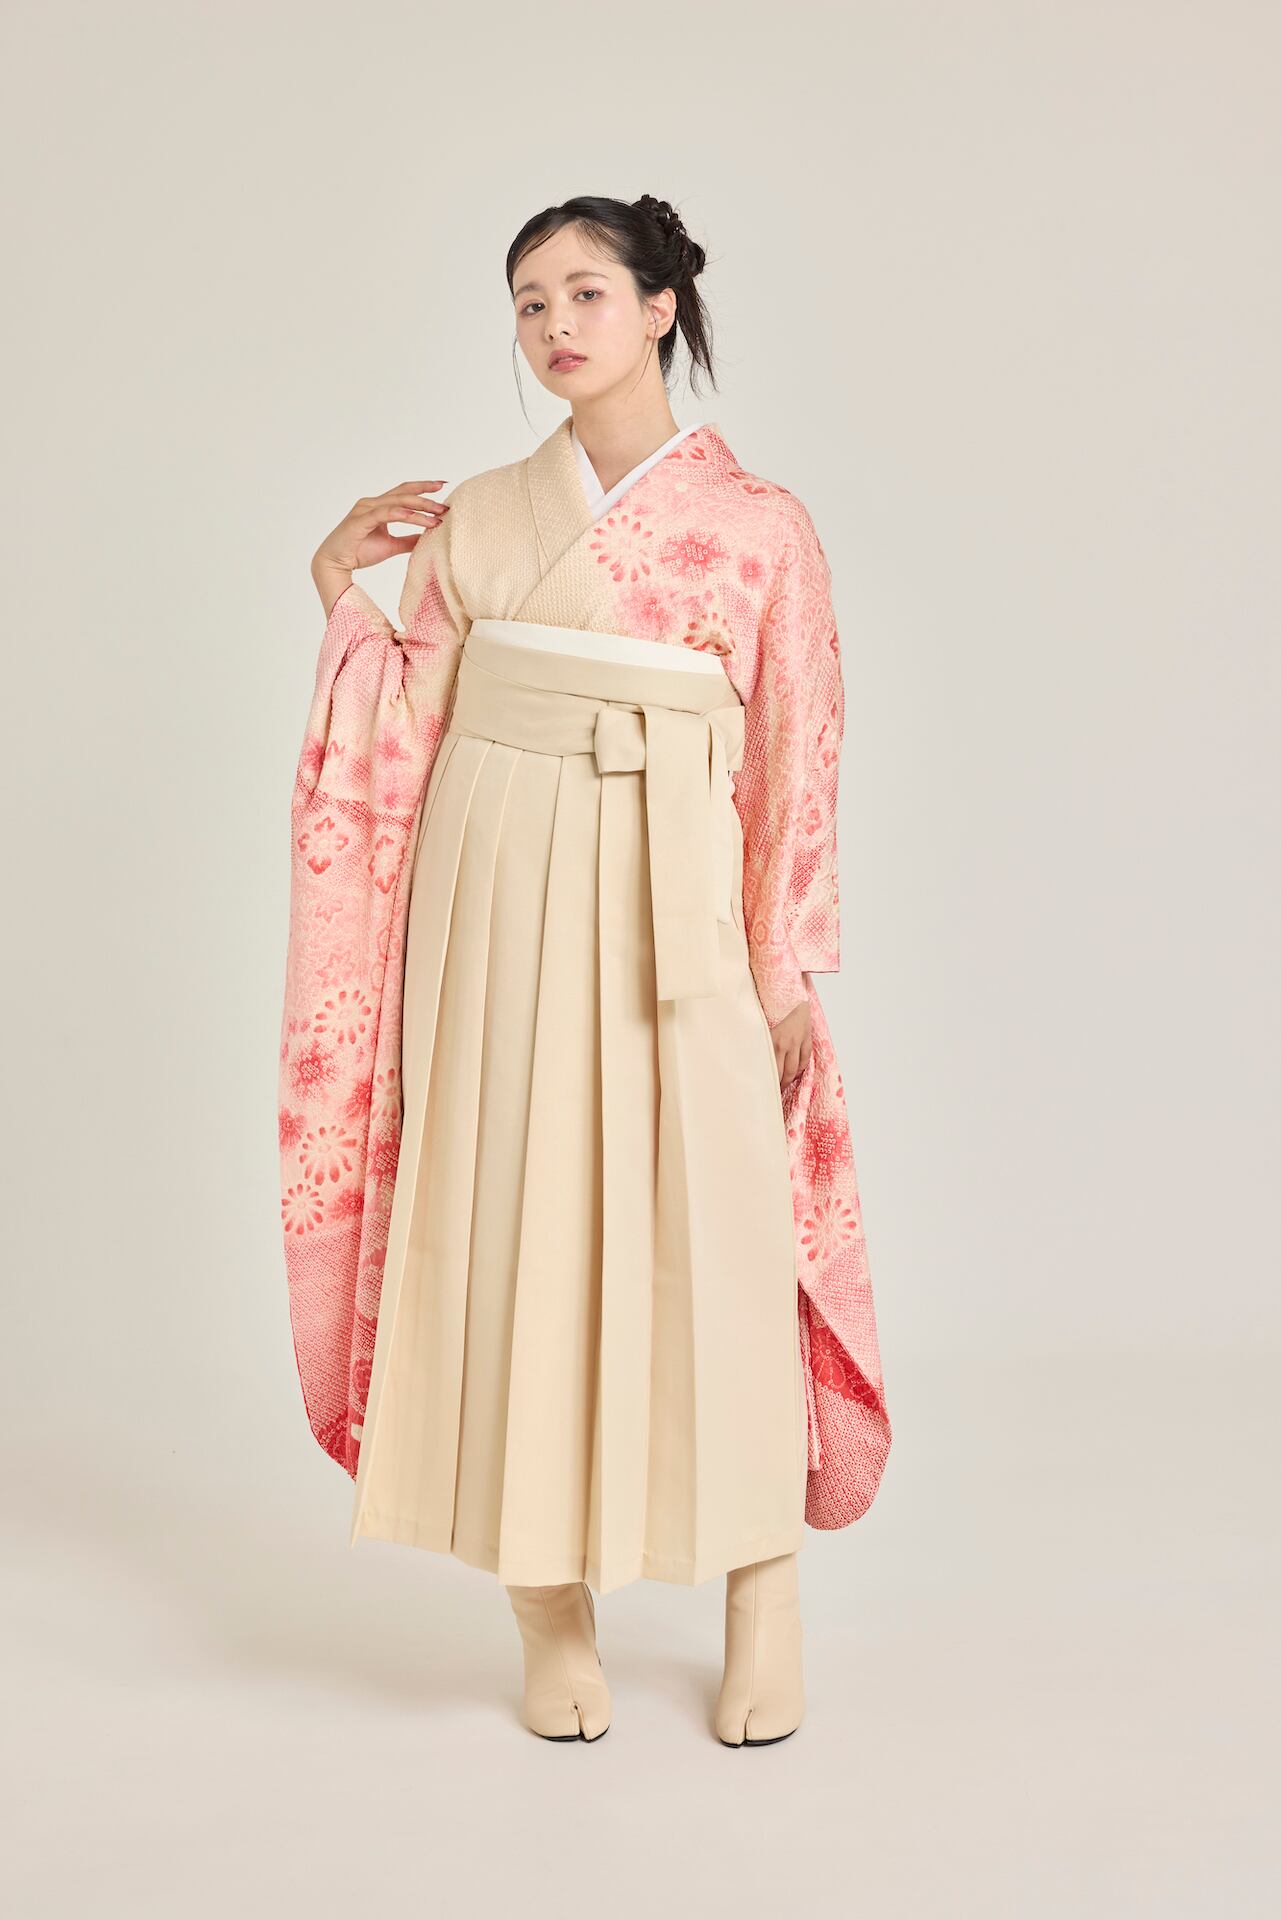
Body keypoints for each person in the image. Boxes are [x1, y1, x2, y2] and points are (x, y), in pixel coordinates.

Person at [279, 193, 890, 1747]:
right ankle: (545, 1607)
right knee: (509, 1219)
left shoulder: (760, 528)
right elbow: (409, 717)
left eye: (586, 293)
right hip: (491, 883)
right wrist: (339, 593)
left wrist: (781, 966)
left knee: (717, 1230)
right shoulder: (484, 514)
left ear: (661, 307)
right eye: (529, 303)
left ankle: (761, 1589)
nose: (554, 325)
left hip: (673, 886)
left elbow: (796, 751)